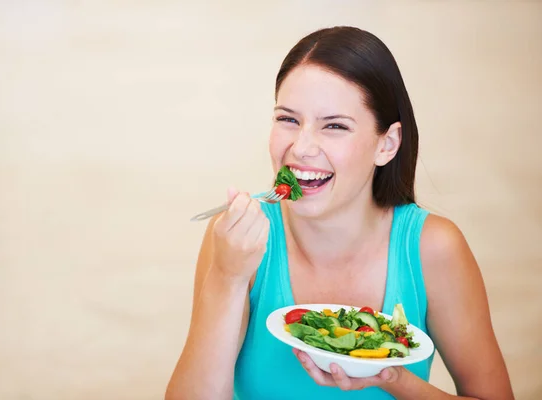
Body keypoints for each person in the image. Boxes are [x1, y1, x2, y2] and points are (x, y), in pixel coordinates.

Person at [165, 26, 514, 400]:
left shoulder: (433, 248)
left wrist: (394, 379)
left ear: (387, 144)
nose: (301, 147)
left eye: (334, 126)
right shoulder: (236, 237)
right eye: (288, 120)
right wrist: (228, 277)